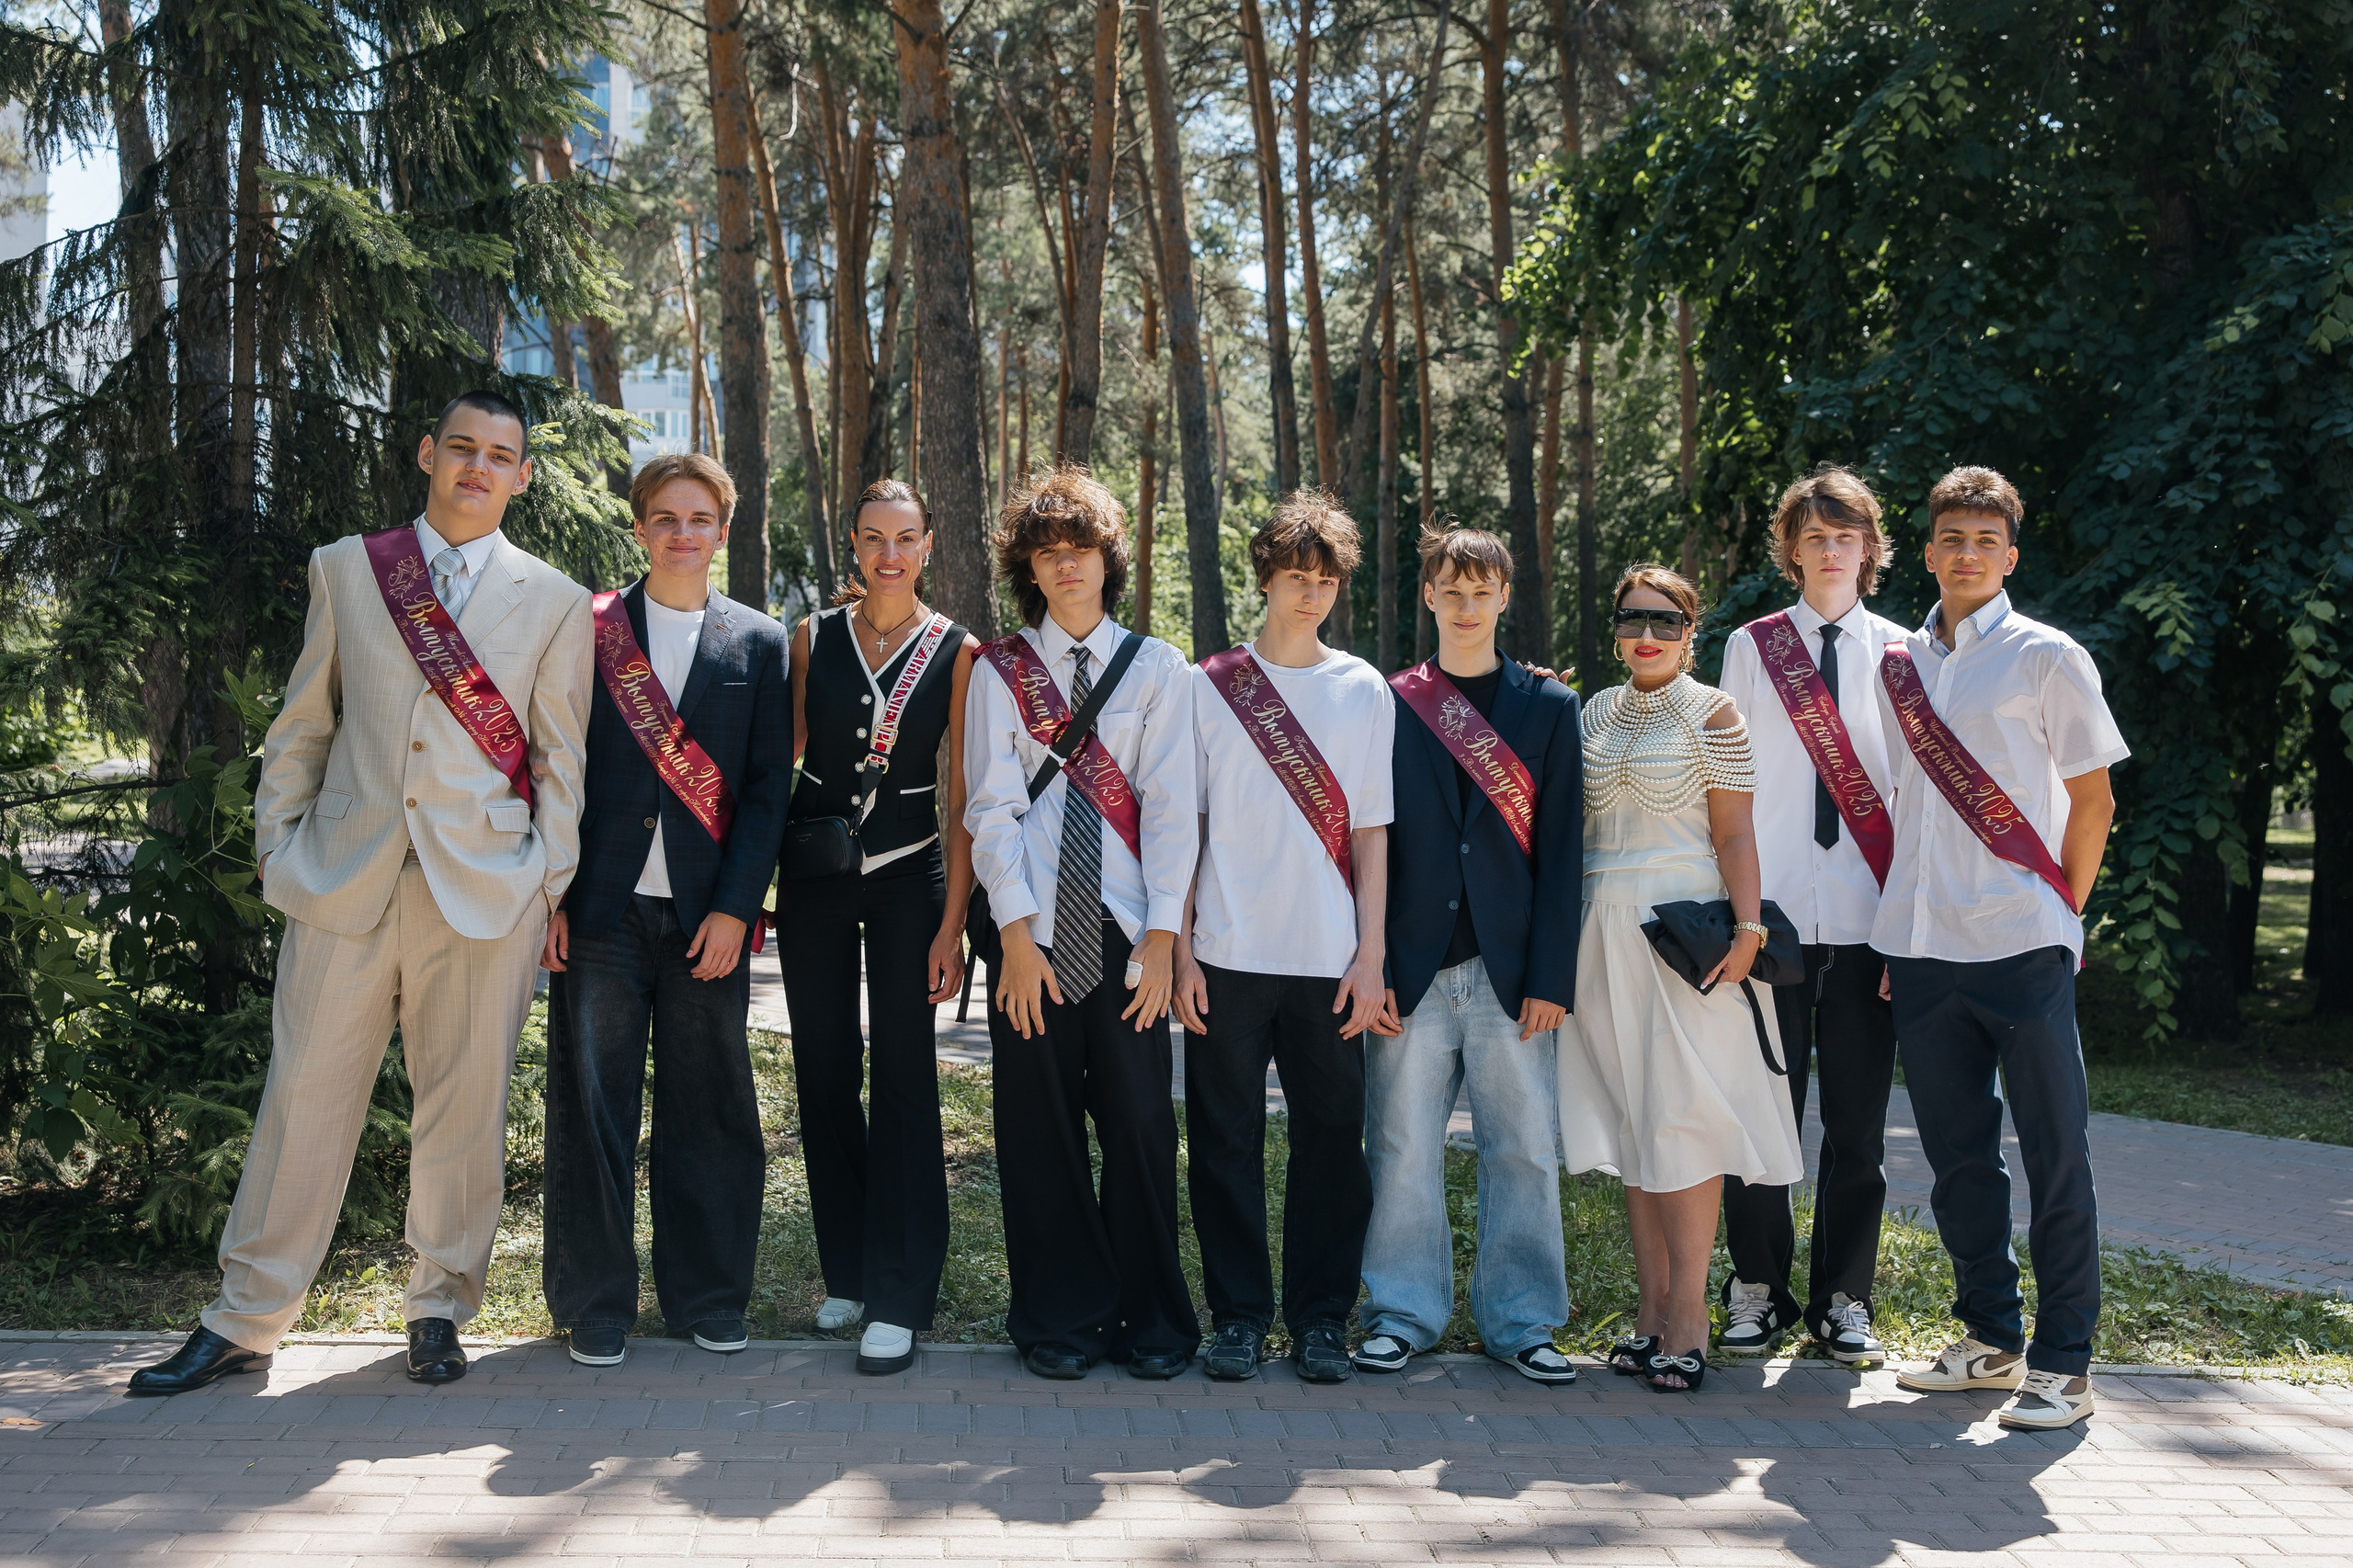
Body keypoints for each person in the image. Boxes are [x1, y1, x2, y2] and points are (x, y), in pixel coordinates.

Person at [129, 392, 594, 1395]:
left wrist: (540, 883)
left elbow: (562, 759)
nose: (477, 465)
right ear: (429, 452)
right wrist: (275, 847)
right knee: (300, 1100)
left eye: (500, 454)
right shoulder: (350, 567)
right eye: (461, 446)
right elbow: (302, 723)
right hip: (346, 879)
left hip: (482, 893)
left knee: (462, 1111)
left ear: (522, 475)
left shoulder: (555, 599)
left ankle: (437, 1308)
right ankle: (246, 1317)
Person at [1878, 467, 2125, 1432]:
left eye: (1986, 537)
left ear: (2009, 554)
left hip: (2020, 942)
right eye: (1951, 537)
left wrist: (2059, 914)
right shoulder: (1900, 660)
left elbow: (2094, 798)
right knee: (1957, 1160)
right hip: (1924, 943)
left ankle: (2064, 1363)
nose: (1967, 551)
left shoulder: (2045, 656)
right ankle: (1989, 1336)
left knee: (2057, 1152)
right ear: (1931, 550)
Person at [540, 453, 791, 1368]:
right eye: (664, 517)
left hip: (705, 921)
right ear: (639, 526)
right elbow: (555, 765)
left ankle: (709, 1293)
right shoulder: (590, 629)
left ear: (723, 530)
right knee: (594, 1106)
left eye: (700, 518)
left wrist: (736, 908)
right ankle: (597, 1299)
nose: (683, 533)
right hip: (601, 909)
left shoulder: (760, 643)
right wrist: (554, 897)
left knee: (711, 1107)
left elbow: (768, 792)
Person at [962, 465, 1200, 1381]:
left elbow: (1174, 806)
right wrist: (1014, 937)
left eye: (1083, 552)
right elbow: (990, 809)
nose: (1068, 569)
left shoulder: (1157, 667)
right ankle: (1060, 1316)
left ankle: (1150, 1318)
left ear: (1109, 560)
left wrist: (1164, 936)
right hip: (1034, 930)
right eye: (1049, 554)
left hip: (1128, 924)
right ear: (1030, 565)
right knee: (1040, 1125)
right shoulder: (999, 670)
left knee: (1141, 1121)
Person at [1557, 565, 1804, 1394]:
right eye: (1632, 620)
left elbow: (1736, 836)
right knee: (1635, 1124)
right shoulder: (1590, 711)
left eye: (1665, 621)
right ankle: (1651, 1310)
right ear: (1616, 629)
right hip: (1601, 933)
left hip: (1685, 940)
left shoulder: (1716, 712)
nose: (1648, 635)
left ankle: (1692, 1316)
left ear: (1691, 630)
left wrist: (1749, 927)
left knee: (1685, 1120)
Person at [1354, 526, 1584, 1386]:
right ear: (1429, 597)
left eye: (1480, 591)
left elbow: (1564, 856)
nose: (1465, 606)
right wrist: (1367, 960)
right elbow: (1365, 838)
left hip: (1512, 974)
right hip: (1410, 969)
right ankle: (1401, 1313)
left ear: (1504, 598)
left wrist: (1552, 979)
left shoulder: (1549, 708)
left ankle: (1524, 1322)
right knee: (1403, 1146)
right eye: (1450, 590)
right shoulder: (1391, 700)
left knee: (1523, 1147)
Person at [1173, 494, 1392, 1385]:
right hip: (1225, 951)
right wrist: (1181, 946)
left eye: (1326, 580)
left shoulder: (1362, 689)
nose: (1310, 594)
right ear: (1264, 577)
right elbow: (1181, 824)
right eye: (1296, 577)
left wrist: (1371, 953)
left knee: (1331, 1143)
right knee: (1223, 1139)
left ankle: (1318, 1320)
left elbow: (1374, 830)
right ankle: (1235, 1315)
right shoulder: (1208, 685)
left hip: (1330, 958)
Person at [779, 479, 979, 1376]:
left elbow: (963, 793)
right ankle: (850, 1273)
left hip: (909, 881)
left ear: (928, 545)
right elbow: (779, 759)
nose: (888, 555)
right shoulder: (809, 638)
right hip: (816, 879)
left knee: (904, 1076)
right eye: (872, 538)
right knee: (822, 1071)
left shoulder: (957, 648)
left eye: (905, 538)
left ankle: (899, 1291)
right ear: (851, 544)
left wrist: (953, 923)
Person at [1713, 467, 1906, 1364]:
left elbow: (1916, 802)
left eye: (1846, 534)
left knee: (1859, 1126)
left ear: (1868, 547)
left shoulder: (1910, 653)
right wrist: (1740, 918)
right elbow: (1731, 796)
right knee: (1762, 1115)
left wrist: (1908, 932)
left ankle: (1842, 1296)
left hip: (1872, 918)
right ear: (1789, 549)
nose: (1831, 549)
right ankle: (1754, 1285)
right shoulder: (1752, 649)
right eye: (1814, 535)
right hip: (1775, 919)